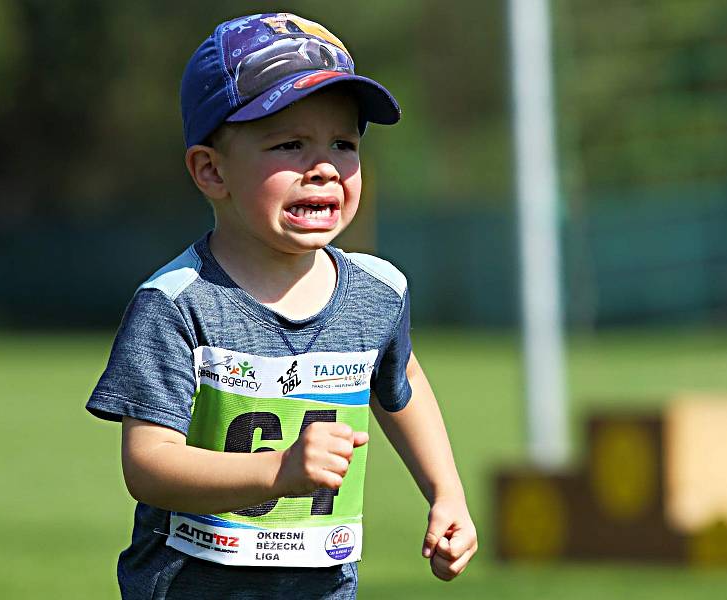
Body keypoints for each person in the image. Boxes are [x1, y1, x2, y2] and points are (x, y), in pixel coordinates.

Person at [87, 12, 477, 599]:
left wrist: (447, 493)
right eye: (290, 144)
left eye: (343, 143)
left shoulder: (379, 291)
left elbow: (400, 380)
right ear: (211, 170)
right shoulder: (176, 304)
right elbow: (148, 465)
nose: (323, 166)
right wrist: (279, 471)